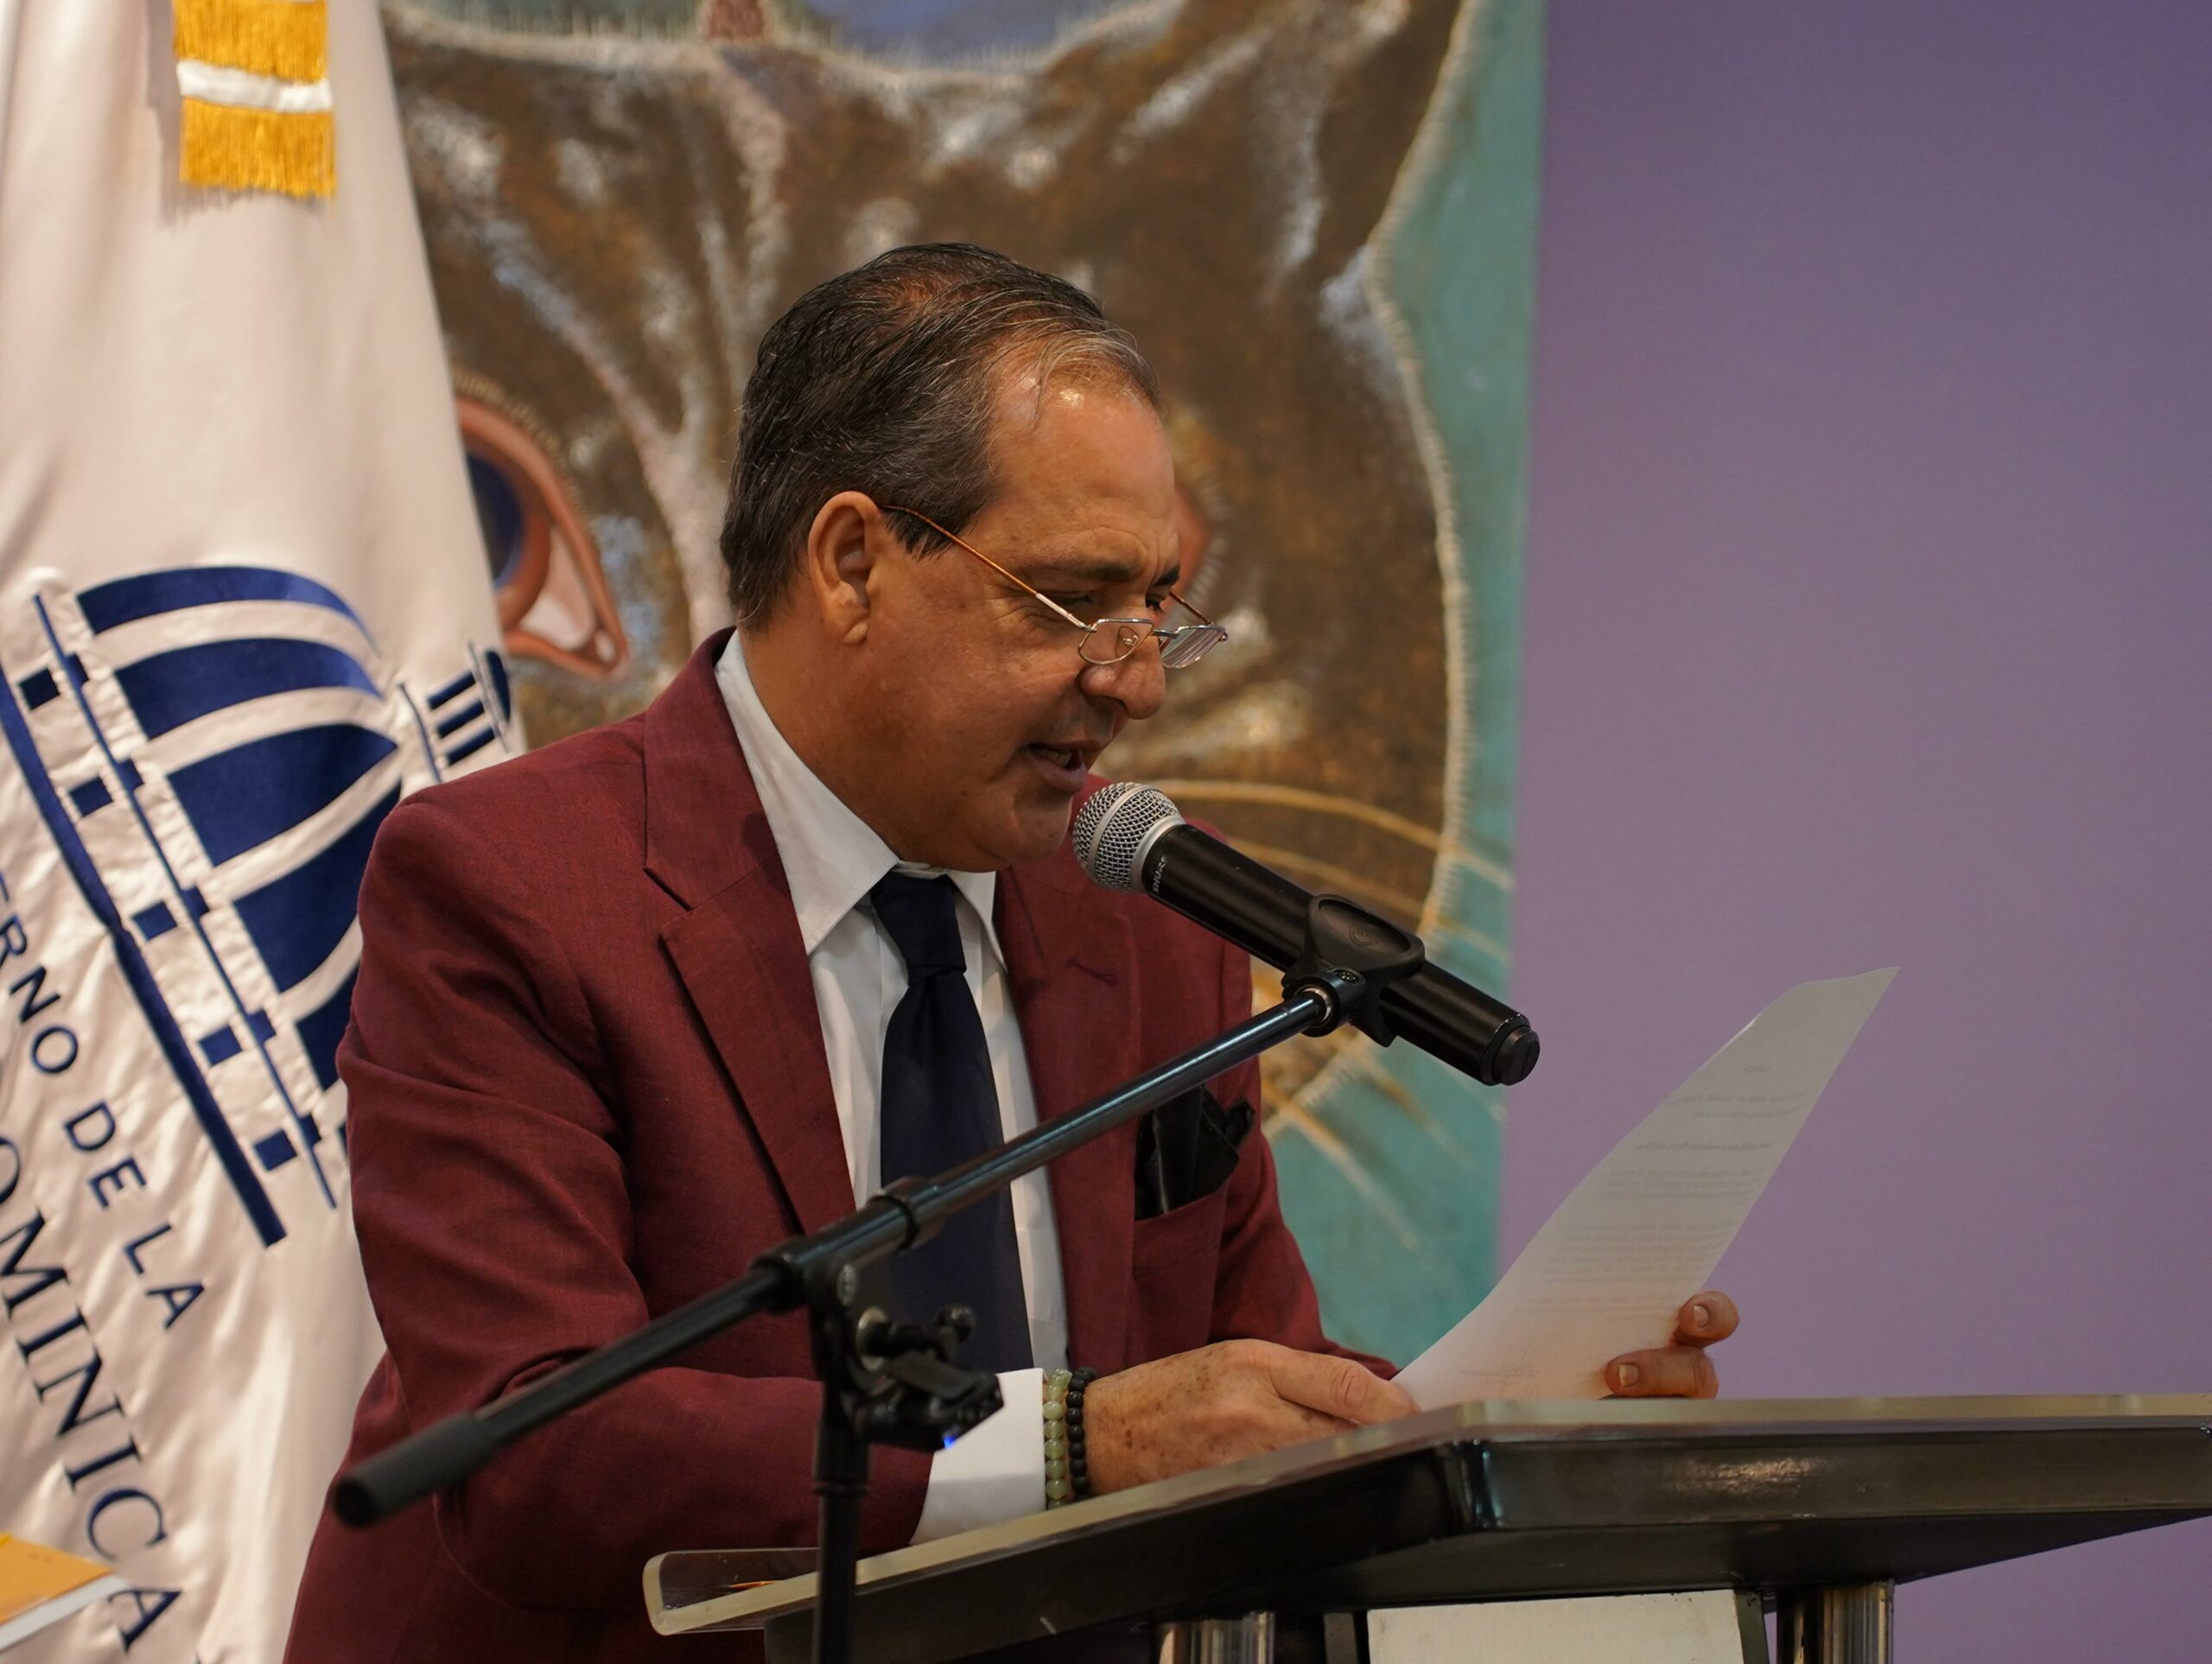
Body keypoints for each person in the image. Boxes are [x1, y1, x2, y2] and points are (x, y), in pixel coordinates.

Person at [283, 245, 1737, 1663]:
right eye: (1075, 601)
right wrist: (1074, 1443)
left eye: (1157, 603)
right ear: (852, 563)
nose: (1138, 680)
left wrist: (1505, 1426)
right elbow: (536, 1451)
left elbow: (1241, 1390)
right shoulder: (514, 888)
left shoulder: (1155, 916)